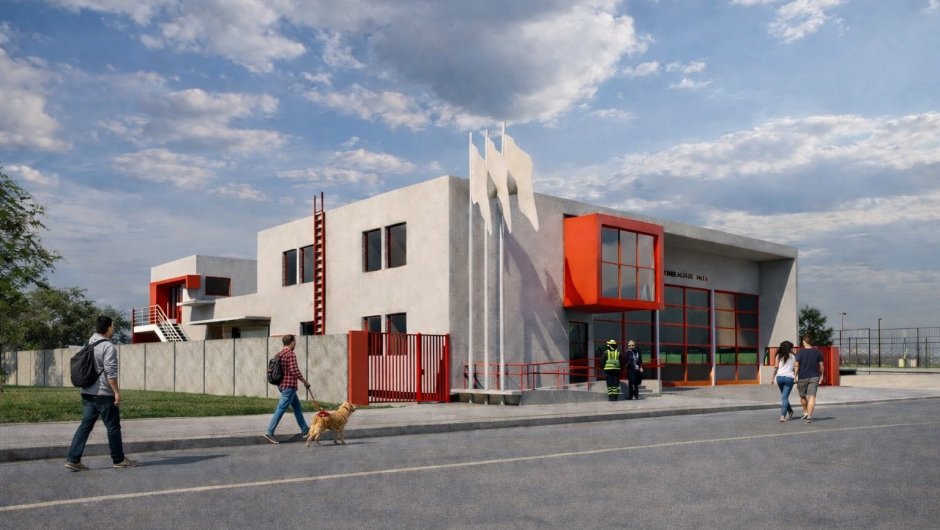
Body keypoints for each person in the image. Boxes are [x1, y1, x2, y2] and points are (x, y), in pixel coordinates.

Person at [65, 315, 137, 471]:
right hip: (104, 394)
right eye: (113, 326)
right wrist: (116, 392)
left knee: (85, 426)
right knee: (113, 427)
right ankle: (118, 459)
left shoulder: (90, 342)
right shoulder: (108, 347)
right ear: (109, 328)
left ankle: (73, 459)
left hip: (87, 392)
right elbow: (111, 373)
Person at [264, 334, 312, 443]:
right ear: (292, 342)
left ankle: (305, 430)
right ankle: (269, 432)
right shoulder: (290, 354)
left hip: (282, 385)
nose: (295, 344)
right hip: (289, 386)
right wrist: (305, 382)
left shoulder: (279, 354)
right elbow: (294, 370)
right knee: (281, 409)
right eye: (294, 342)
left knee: (297, 407)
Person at [794, 334, 825, 423]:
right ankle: (809, 416)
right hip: (814, 376)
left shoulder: (800, 352)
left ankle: (806, 412)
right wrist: (822, 376)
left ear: (803, 342)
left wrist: (795, 376)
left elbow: (796, 365)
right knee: (812, 396)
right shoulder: (818, 352)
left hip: (802, 376)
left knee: (802, 396)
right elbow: (821, 365)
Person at [771, 340, 796, 422]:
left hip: (780, 377)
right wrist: (796, 377)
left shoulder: (778, 355)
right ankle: (784, 415)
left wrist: (772, 378)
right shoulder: (793, 356)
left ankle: (787, 413)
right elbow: (795, 368)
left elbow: (776, 367)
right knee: (785, 396)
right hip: (789, 378)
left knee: (784, 396)